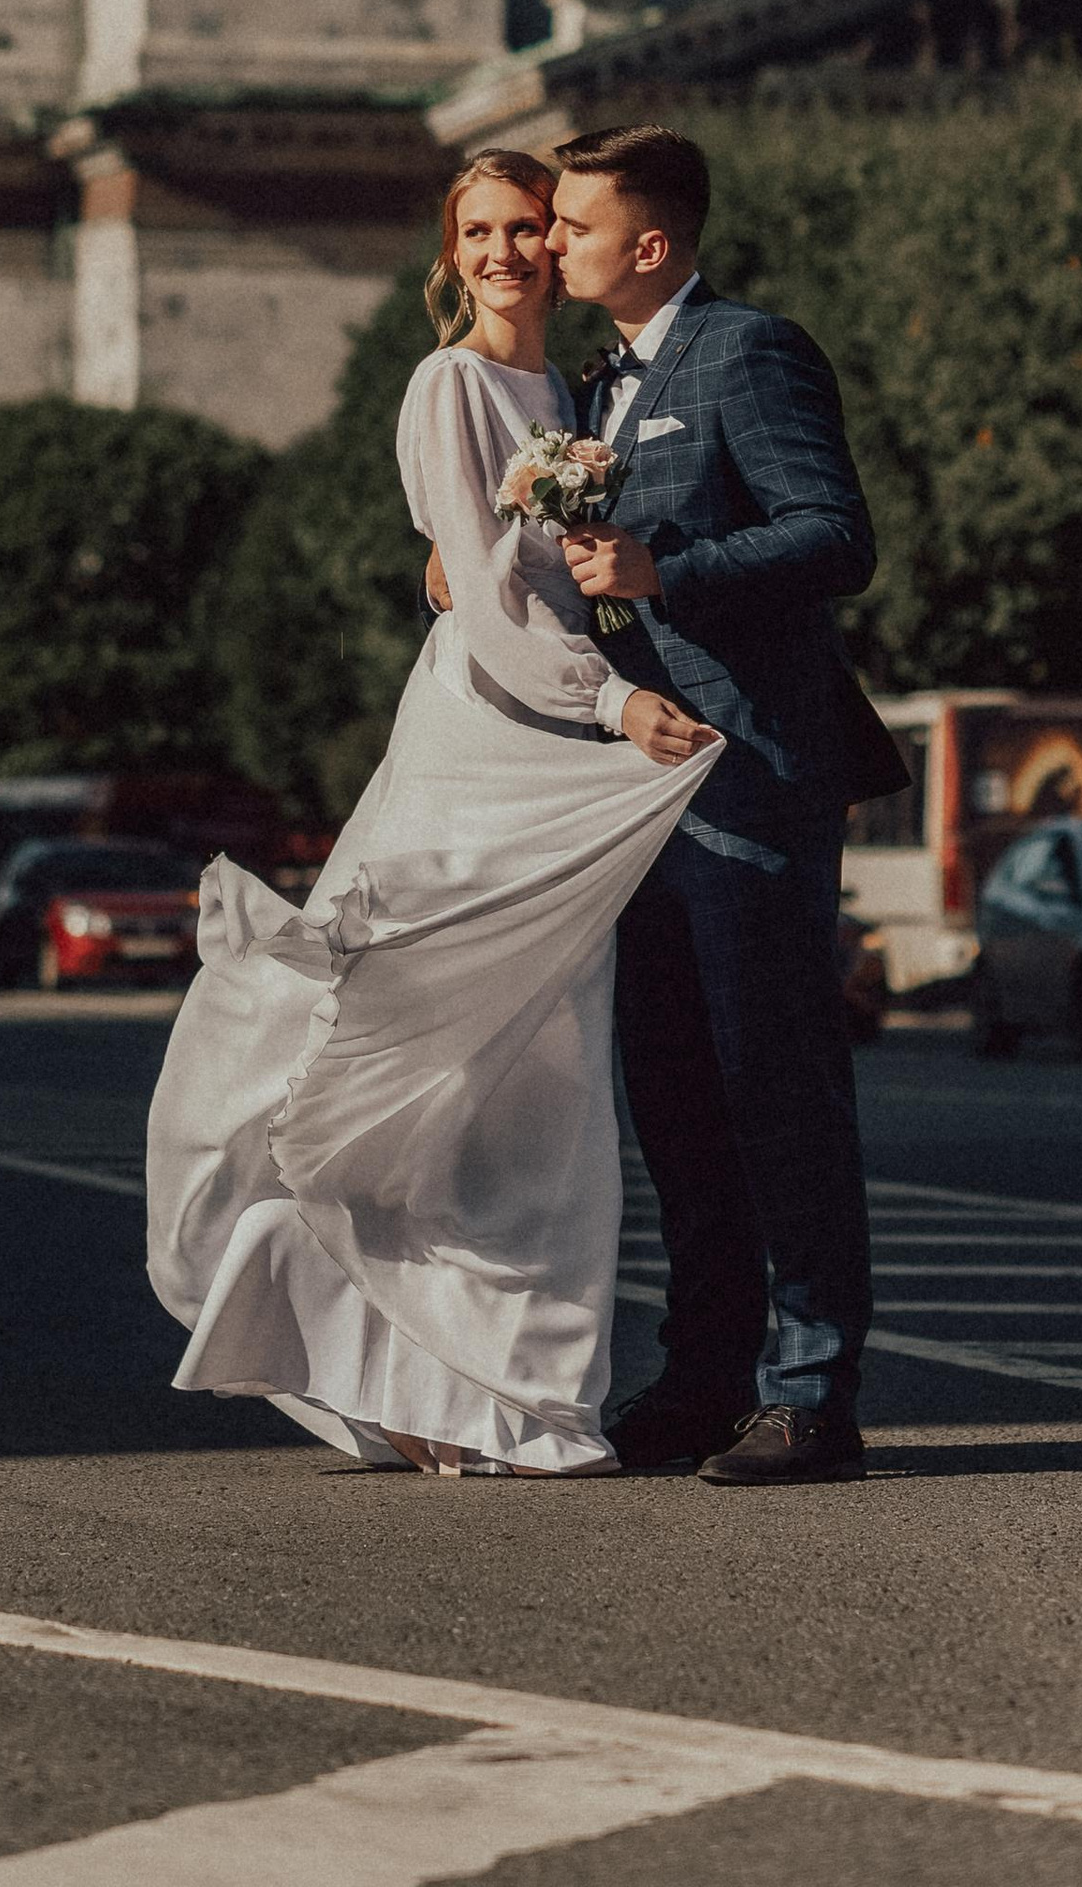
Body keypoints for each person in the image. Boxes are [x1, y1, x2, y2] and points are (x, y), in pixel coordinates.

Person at [147, 149, 720, 1476]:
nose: (508, 252)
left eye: (530, 228)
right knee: (442, 1055)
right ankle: (412, 1365)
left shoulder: (575, 394)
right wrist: (607, 705)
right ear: (448, 253)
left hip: (561, 733)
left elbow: (550, 573)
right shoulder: (448, 381)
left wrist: (610, 655)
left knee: (542, 1080)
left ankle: (496, 1393)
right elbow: (487, 589)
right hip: (488, 737)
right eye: (481, 233)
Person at [545, 122, 905, 1486]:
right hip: (631, 797)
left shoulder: (747, 351)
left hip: (750, 771)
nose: (553, 242)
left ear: (653, 243)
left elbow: (834, 535)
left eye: (575, 224)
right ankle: (701, 1377)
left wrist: (668, 570)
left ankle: (811, 1394)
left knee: (776, 1088)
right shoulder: (592, 384)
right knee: (677, 1094)